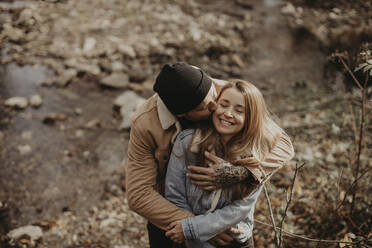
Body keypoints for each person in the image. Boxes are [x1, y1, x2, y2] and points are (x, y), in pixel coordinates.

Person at [125, 62, 294, 247]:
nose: (216, 107)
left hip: (229, 224)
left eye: (214, 96)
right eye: (204, 107)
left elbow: (283, 144)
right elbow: (138, 194)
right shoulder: (145, 124)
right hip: (170, 212)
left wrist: (243, 172)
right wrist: (200, 228)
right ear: (183, 115)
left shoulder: (225, 92)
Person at [164, 79, 292, 247]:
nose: (228, 114)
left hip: (234, 239)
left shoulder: (256, 153)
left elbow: (242, 207)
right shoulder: (188, 142)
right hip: (192, 241)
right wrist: (200, 230)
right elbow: (174, 195)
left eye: (239, 111)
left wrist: (200, 228)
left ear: (250, 118)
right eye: (224, 105)